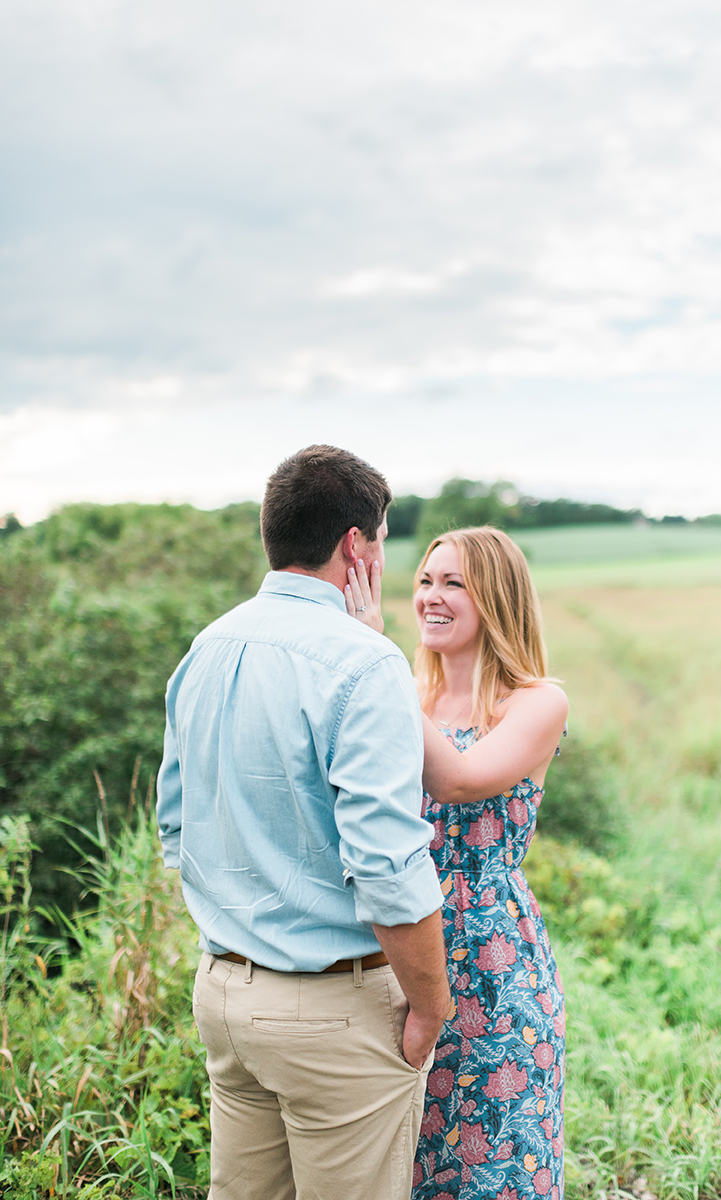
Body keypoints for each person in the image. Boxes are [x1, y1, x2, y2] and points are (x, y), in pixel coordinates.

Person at [156, 445, 451, 1200]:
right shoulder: (364, 664)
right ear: (356, 544)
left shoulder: (207, 646)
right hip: (331, 1013)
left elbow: (175, 828)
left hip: (222, 995)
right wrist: (430, 1003)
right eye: (382, 539)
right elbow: (386, 868)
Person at [346, 525, 567, 1200]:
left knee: (492, 1161)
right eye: (424, 582)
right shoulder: (407, 692)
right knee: (404, 1162)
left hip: (492, 960)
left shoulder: (535, 702)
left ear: (494, 599)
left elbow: (459, 781)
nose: (431, 598)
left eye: (453, 584)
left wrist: (372, 653)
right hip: (399, 943)